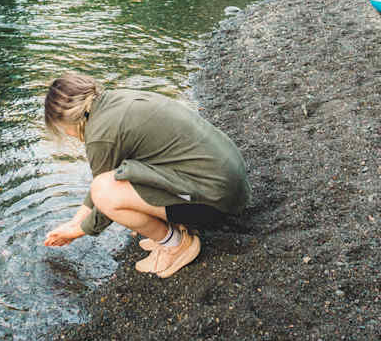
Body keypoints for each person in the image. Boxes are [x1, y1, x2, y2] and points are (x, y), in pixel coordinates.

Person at [40, 73, 250, 279]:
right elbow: (103, 177)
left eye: (61, 129)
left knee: (108, 194)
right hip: (230, 182)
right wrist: (75, 221)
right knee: (109, 184)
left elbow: (104, 198)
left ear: (67, 121)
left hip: (216, 201)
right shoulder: (112, 101)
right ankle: (171, 232)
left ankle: (176, 246)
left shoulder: (99, 135)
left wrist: (76, 232)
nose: (66, 134)